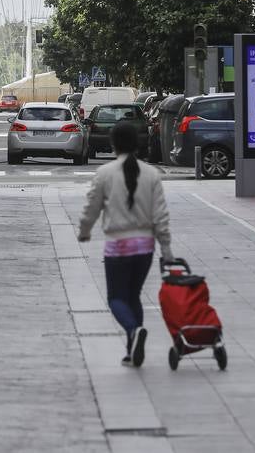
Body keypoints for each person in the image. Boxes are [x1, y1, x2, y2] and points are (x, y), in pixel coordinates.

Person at [78, 119, 174, 368]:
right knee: (133, 296)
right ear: (137, 143)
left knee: (115, 299)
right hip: (145, 247)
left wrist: (85, 231)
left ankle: (134, 329)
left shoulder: (105, 173)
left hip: (118, 246)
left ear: (113, 144)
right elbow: (160, 214)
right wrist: (166, 249)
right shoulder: (152, 174)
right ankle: (133, 349)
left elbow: (92, 206)